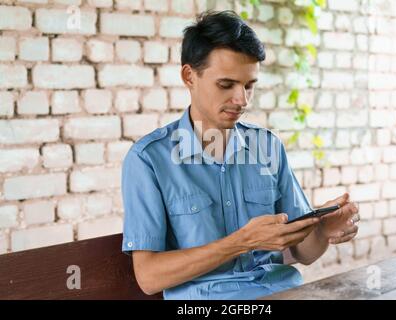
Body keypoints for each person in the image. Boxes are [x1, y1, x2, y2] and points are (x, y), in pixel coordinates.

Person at [121, 10, 360, 300]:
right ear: (189, 76)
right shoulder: (149, 160)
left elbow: (301, 252)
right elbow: (149, 277)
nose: (241, 100)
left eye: (249, 86)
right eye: (226, 85)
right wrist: (240, 242)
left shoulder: (267, 146)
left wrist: (321, 231)